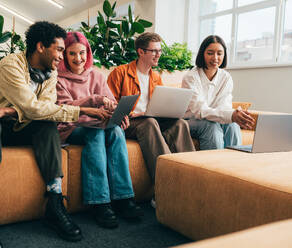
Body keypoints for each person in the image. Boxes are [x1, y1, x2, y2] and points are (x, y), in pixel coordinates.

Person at [0, 21, 109, 247]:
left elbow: (43, 110)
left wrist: (6, 110)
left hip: (22, 125)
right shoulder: (10, 65)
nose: (61, 56)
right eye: (59, 49)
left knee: (47, 125)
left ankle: (55, 204)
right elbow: (33, 107)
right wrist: (82, 109)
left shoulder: (51, 72)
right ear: (40, 47)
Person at [56, 31, 143, 229]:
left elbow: (110, 101)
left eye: (82, 53)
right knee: (94, 133)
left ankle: (122, 198)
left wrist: (118, 115)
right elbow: (64, 109)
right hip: (71, 127)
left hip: (99, 124)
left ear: (88, 52)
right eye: (72, 54)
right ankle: (100, 202)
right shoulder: (57, 78)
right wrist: (92, 100)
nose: (78, 59)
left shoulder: (96, 74)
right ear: (64, 55)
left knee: (116, 132)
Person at [107, 32, 196, 199]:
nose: (158, 55)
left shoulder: (156, 77)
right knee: (149, 122)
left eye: (160, 51)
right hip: (130, 123)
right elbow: (110, 106)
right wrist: (134, 113)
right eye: (154, 51)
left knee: (180, 124)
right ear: (141, 52)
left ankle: (192, 177)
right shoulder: (120, 73)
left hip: (151, 120)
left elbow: (161, 106)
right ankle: (166, 185)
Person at [182, 35, 255, 150]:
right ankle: (211, 165)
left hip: (212, 119)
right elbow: (200, 111)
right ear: (202, 54)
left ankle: (233, 163)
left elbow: (224, 108)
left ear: (224, 55)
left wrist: (233, 115)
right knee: (211, 126)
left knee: (232, 125)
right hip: (191, 121)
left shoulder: (226, 77)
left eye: (219, 53)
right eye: (210, 53)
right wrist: (230, 115)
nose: (215, 58)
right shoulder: (191, 77)